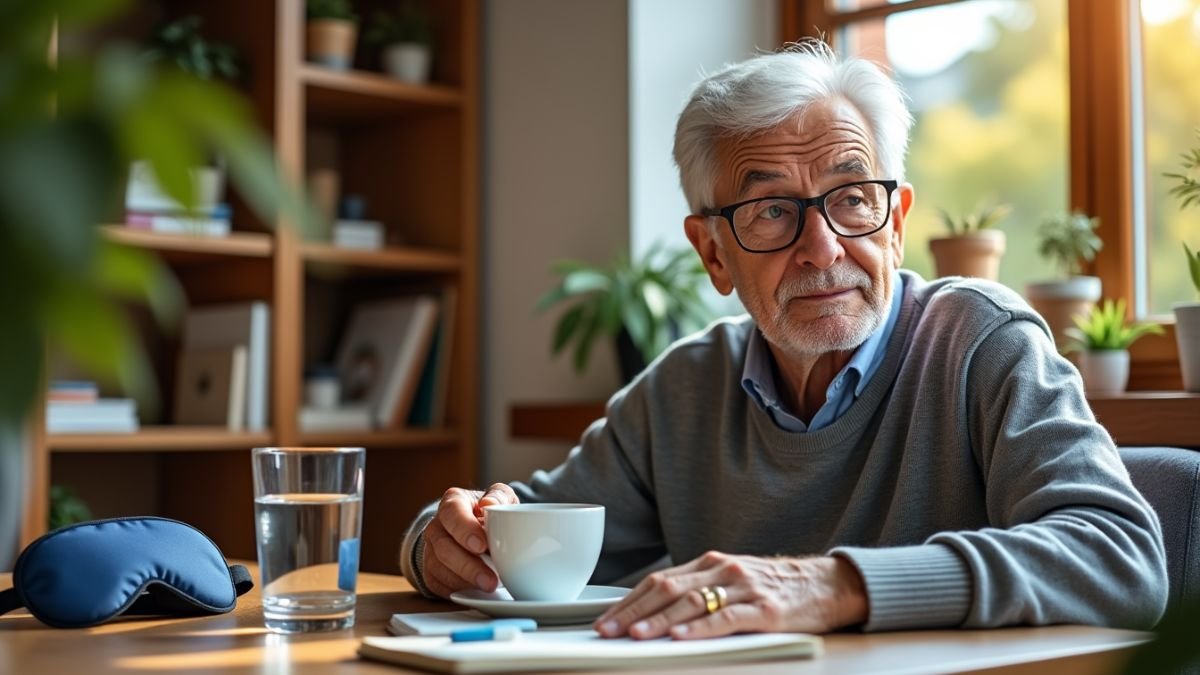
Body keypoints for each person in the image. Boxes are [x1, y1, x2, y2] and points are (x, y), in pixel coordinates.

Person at [399, 39, 1168, 640]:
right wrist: (441, 545)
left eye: (853, 198)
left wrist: (834, 585)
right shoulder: (682, 391)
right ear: (713, 254)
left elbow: (1122, 556)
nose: (825, 247)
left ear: (896, 224)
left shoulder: (982, 343)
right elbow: (522, 530)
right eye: (771, 212)